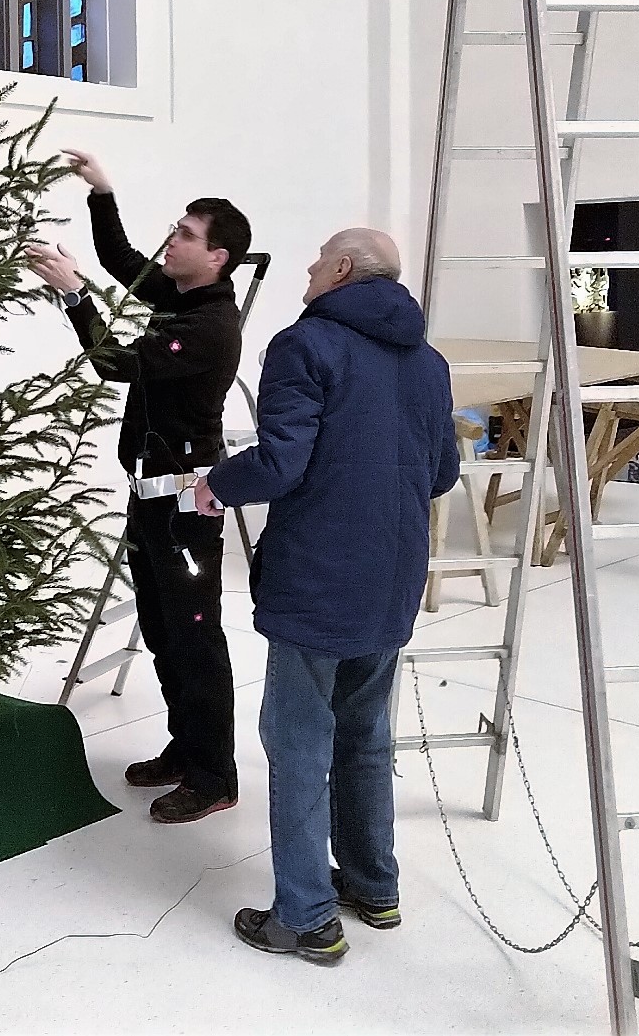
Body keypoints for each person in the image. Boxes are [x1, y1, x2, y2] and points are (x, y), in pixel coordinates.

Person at [194, 227, 458, 962]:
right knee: (366, 733)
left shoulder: (304, 346)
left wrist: (217, 484)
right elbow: (442, 474)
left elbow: (280, 463)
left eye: (318, 259)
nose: (308, 269)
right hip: (393, 577)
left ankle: (306, 917)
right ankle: (374, 884)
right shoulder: (430, 363)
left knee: (299, 740)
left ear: (342, 269)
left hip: (319, 578)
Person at [25, 150, 252, 824]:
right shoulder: (181, 293)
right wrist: (102, 191)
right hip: (152, 492)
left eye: (185, 234)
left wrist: (72, 293)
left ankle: (215, 774)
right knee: (161, 627)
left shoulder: (209, 324)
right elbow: (123, 259)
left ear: (216, 257)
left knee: (195, 634)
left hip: (186, 502)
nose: (171, 239)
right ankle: (187, 749)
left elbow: (112, 362)